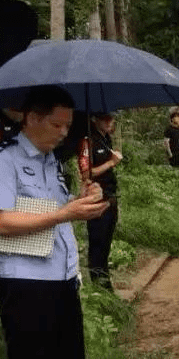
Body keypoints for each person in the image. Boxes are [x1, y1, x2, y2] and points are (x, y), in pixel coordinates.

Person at [0, 85, 108, 359]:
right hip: (26, 283)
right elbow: (1, 222)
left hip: (63, 277)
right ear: (32, 118)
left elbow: (53, 206)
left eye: (68, 125)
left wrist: (81, 201)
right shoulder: (1, 159)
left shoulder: (51, 161)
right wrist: (64, 213)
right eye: (56, 124)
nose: (63, 132)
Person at [77, 112, 123, 290]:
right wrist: (111, 163)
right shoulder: (88, 141)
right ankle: (98, 286)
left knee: (106, 244)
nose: (110, 122)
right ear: (95, 119)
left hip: (111, 196)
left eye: (111, 118)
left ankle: (105, 283)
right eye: (106, 119)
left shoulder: (106, 139)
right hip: (97, 199)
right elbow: (87, 174)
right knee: (97, 243)